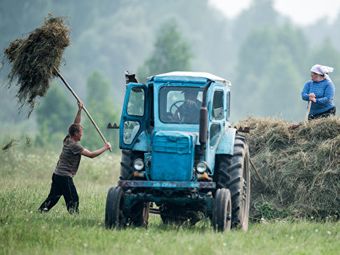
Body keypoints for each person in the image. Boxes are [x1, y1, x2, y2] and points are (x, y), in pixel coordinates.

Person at [38, 101, 111, 214]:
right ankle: (74, 215)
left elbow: (75, 124)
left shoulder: (68, 139)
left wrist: (79, 109)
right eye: (81, 132)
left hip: (57, 174)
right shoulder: (74, 145)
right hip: (64, 176)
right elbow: (91, 155)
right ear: (76, 134)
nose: (82, 134)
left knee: (54, 196)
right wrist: (105, 147)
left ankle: (41, 211)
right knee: (73, 198)